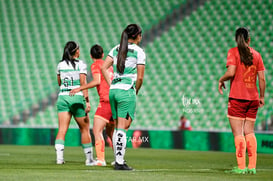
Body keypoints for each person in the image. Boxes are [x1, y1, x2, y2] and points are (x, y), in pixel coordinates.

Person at [218, 27, 266, 174]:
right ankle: (252, 167)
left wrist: (221, 79)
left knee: (238, 133)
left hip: (237, 98)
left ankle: (241, 167)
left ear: (236, 39)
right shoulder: (257, 55)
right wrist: (262, 96)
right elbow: (262, 78)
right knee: (250, 132)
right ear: (248, 40)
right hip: (253, 99)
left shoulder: (233, 52)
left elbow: (231, 72)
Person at [101, 24, 146, 170]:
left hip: (114, 90)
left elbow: (103, 68)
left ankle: (118, 159)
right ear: (137, 35)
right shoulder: (139, 52)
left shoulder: (116, 48)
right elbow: (140, 78)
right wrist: (135, 90)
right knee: (123, 127)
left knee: (118, 126)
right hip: (126, 90)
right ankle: (119, 162)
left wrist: (111, 83)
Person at [70, 44, 114, 166]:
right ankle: (119, 158)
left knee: (97, 130)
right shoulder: (109, 66)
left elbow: (97, 81)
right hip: (114, 99)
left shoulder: (96, 65)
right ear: (103, 54)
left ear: (91, 55)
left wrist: (80, 88)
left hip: (105, 100)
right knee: (111, 132)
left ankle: (101, 160)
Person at [55, 41, 94, 166]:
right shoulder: (81, 64)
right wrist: (87, 101)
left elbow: (59, 82)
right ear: (76, 51)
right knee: (84, 129)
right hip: (77, 98)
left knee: (62, 130)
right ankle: (89, 159)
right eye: (78, 49)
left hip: (63, 97)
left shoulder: (60, 65)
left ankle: (59, 159)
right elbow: (83, 83)